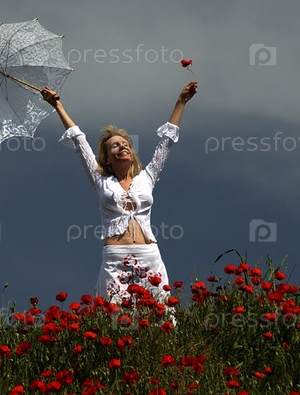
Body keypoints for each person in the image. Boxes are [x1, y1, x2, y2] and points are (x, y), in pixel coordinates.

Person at [40, 81, 198, 304]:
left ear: (131, 153)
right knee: (115, 314)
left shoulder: (146, 178)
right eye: (115, 145)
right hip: (115, 258)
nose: (123, 146)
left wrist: (181, 101)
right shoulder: (100, 180)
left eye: (126, 144)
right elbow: (79, 141)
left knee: (159, 312)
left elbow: (166, 143)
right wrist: (58, 106)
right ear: (106, 158)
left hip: (149, 256)